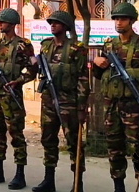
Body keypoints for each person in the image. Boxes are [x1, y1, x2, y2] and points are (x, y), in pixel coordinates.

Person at [92, 3, 139, 192]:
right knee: (115, 149)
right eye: (116, 18)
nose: (118, 22)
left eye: (122, 18)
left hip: (136, 107)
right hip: (112, 106)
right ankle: (118, 187)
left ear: (131, 21)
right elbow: (98, 74)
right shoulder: (109, 45)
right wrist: (96, 61)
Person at [33, 11, 90, 192]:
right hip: (48, 100)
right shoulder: (45, 46)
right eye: (51, 23)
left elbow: (82, 78)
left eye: (57, 23)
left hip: (69, 102)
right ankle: (49, 180)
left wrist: (82, 107)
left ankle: (77, 182)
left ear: (65, 27)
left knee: (74, 142)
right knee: (48, 139)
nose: (53, 25)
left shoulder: (76, 49)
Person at [0, 8, 36, 190]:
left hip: (12, 96)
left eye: (3, 22)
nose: (0, 24)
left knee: (16, 134)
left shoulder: (23, 45)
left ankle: (20, 174)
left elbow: (33, 70)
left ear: (12, 24)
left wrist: (18, 81)